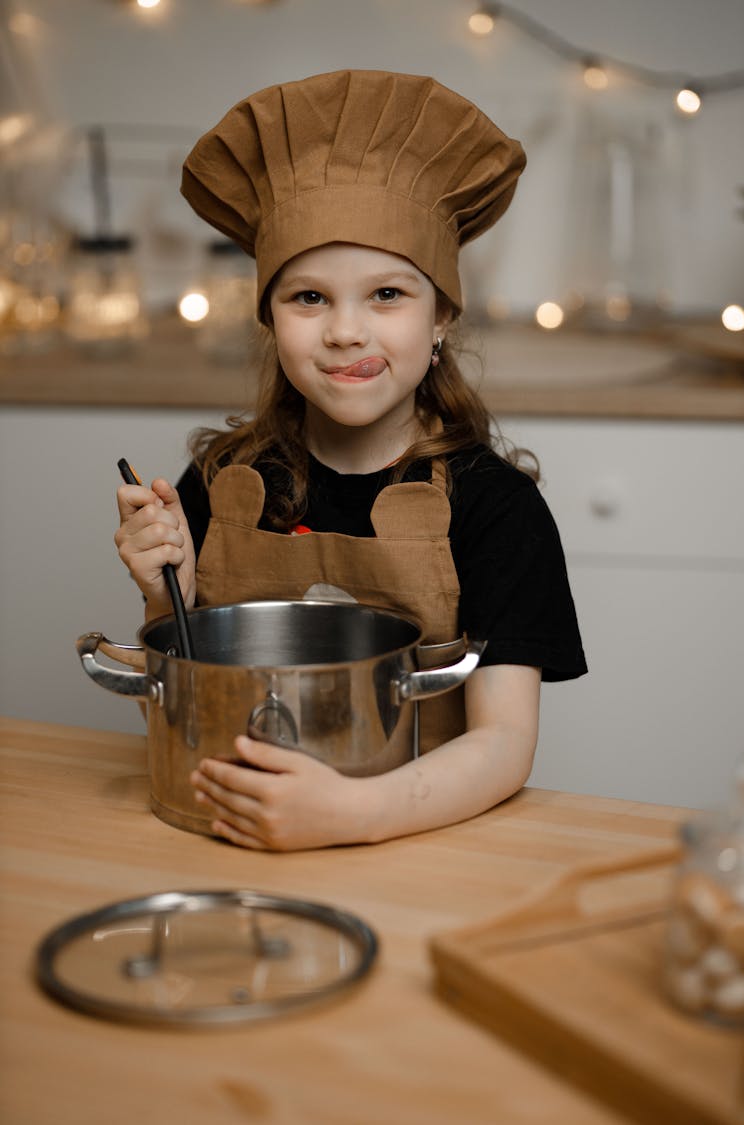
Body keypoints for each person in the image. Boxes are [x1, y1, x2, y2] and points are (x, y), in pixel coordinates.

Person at [115, 69, 586, 852]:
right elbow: (181, 720)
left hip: (416, 851)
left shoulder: (496, 510)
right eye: (308, 298)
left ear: (441, 315)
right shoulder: (224, 486)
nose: (344, 331)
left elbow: (504, 747)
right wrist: (168, 596)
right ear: (269, 316)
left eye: (388, 294)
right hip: (226, 837)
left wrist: (351, 815)